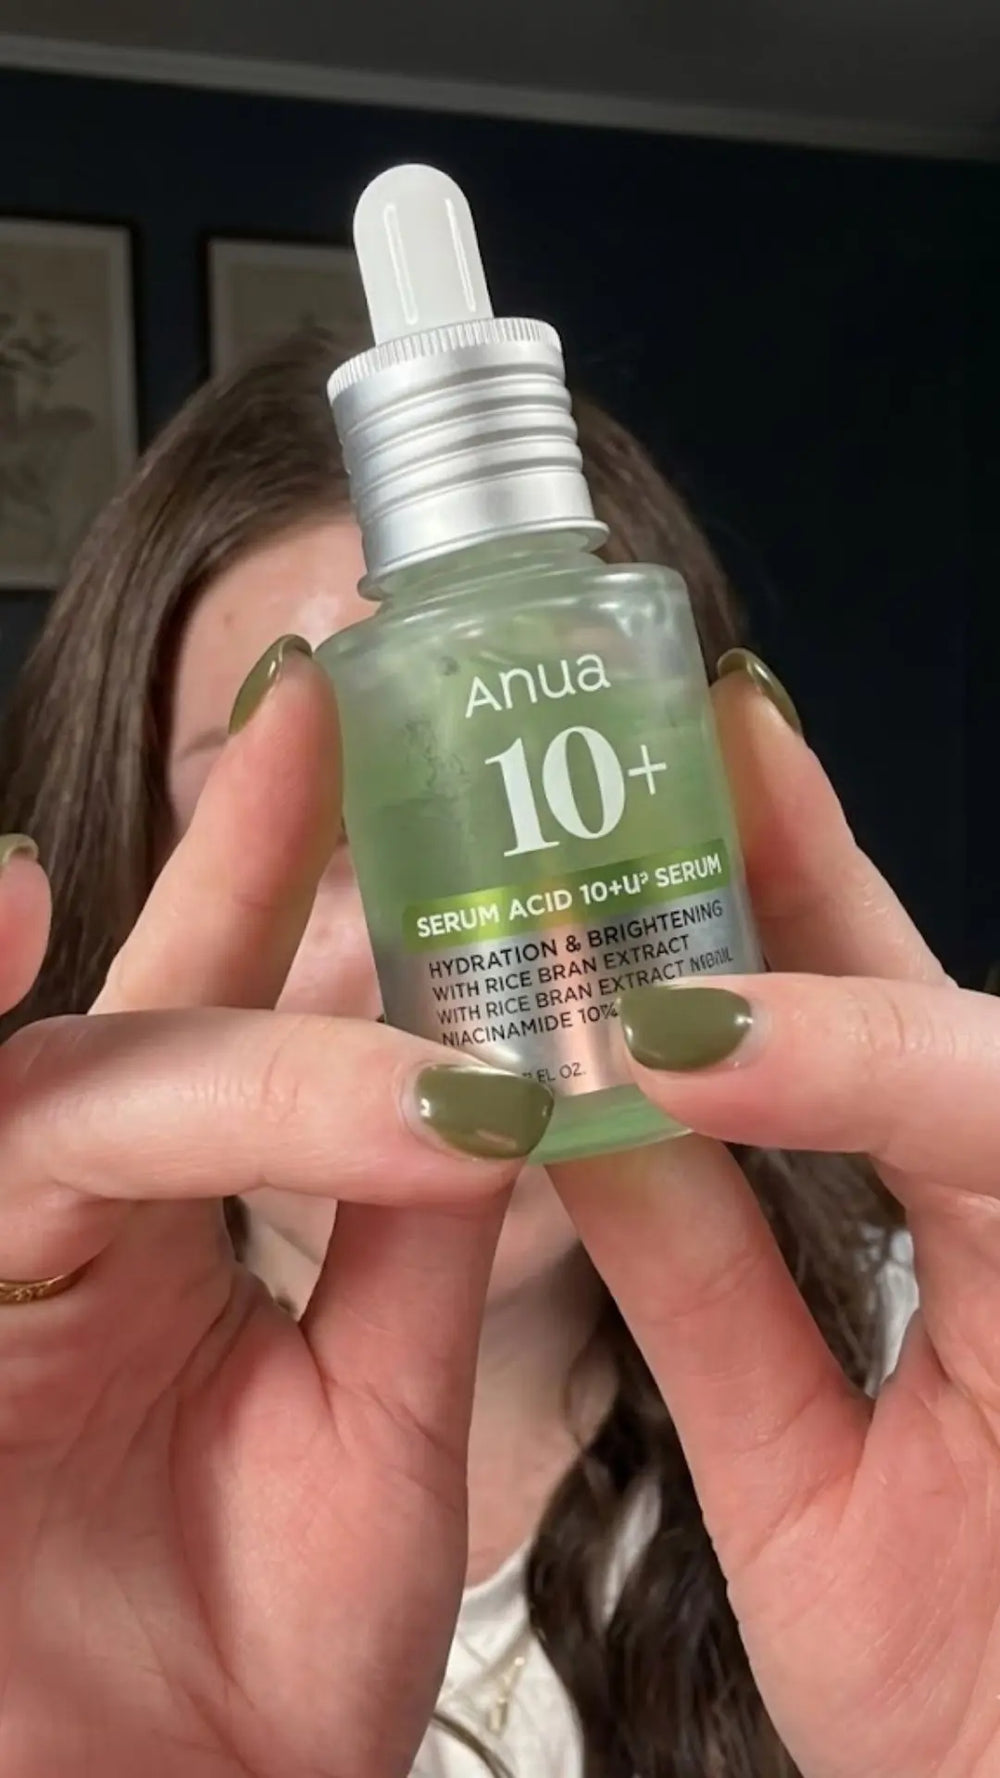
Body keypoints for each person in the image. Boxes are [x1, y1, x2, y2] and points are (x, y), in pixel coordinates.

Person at [0, 328, 997, 1778]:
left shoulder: (946, 1400)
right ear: (122, 884)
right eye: (345, 823)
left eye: (543, 802)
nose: (503, 914)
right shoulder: (38, 1544)